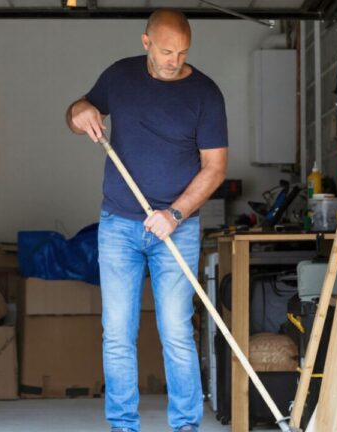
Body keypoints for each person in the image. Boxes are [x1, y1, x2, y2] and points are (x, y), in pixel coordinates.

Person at [65, 8, 228, 432]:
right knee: (117, 334)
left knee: (176, 332)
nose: (174, 60)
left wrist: (174, 214)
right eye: (165, 50)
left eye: (182, 52)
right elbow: (78, 111)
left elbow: (214, 168)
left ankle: (186, 427)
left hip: (178, 227)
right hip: (118, 225)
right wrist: (80, 110)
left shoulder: (205, 93)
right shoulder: (119, 77)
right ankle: (123, 426)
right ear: (146, 43)